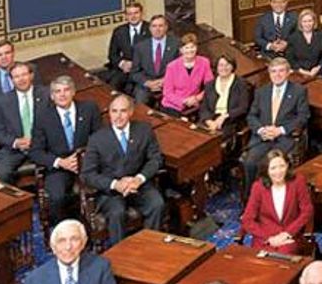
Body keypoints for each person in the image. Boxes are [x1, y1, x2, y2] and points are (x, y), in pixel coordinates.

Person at [82, 94, 165, 242]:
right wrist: (115, 184)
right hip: (111, 191)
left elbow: (156, 159)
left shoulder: (144, 130)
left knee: (157, 204)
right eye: (114, 111)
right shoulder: (97, 138)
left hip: (138, 184)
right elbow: (88, 174)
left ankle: (150, 246)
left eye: (123, 111)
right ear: (109, 113)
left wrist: (139, 179)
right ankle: (119, 255)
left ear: (131, 112)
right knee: (117, 212)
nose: (118, 116)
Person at [30, 75, 100, 224]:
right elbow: (35, 151)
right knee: (56, 196)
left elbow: (99, 140)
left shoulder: (89, 108)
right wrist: (60, 162)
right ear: (52, 96)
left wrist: (82, 159)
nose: (62, 94)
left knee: (101, 188)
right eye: (57, 91)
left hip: (87, 164)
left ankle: (91, 231)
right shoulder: (43, 117)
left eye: (66, 90)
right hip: (59, 166)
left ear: (73, 92)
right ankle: (63, 231)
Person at [242, 149, 315, 255]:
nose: (278, 172)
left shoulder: (298, 181)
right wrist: (269, 238)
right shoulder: (258, 187)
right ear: (266, 170)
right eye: (273, 168)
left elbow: (307, 211)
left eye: (282, 166)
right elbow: (247, 219)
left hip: (289, 237)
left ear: (287, 166)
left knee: (283, 257)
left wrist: (288, 233)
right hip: (264, 239)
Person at [0, 60, 45, 183]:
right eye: (16, 77)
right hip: (16, 149)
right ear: (11, 80)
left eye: (24, 75)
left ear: (31, 76)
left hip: (44, 146)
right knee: (3, 173)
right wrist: (15, 142)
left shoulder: (47, 95)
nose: (21, 79)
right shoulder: (2, 101)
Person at [160, 33, 214, 117]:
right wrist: (184, 101)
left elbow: (210, 86)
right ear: (181, 50)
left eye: (192, 47)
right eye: (186, 48)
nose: (190, 50)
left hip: (195, 103)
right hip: (173, 105)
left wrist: (197, 98)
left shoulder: (204, 62)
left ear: (196, 48)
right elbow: (167, 93)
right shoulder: (171, 66)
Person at [200, 50, 251, 134]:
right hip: (211, 119)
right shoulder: (210, 84)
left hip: (231, 119)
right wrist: (209, 121)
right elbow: (204, 108)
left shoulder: (241, 84)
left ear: (232, 67)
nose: (224, 68)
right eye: (221, 65)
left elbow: (243, 108)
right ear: (216, 67)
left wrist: (224, 117)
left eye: (227, 65)